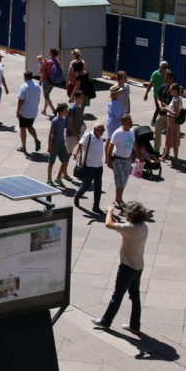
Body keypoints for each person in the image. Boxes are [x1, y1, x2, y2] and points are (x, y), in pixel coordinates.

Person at [91, 201, 150, 333]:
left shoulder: (130, 228)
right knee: (135, 296)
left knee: (117, 295)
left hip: (127, 267)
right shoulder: (143, 227)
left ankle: (106, 321)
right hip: (138, 266)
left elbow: (108, 224)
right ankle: (135, 325)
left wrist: (110, 211)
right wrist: (116, 221)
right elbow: (119, 226)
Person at [73, 121, 107, 214]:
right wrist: (75, 153)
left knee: (98, 188)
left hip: (99, 167)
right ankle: (77, 195)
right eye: (102, 130)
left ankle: (96, 207)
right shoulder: (88, 136)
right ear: (95, 130)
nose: (103, 131)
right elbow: (79, 144)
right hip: (89, 167)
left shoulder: (100, 138)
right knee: (85, 186)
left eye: (104, 130)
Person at [106, 114, 135, 210]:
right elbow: (110, 146)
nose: (131, 124)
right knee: (120, 181)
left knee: (124, 181)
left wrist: (139, 154)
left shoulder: (131, 131)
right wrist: (109, 160)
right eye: (129, 122)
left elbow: (134, 143)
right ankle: (117, 200)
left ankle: (119, 199)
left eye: (131, 122)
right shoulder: (117, 133)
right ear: (123, 123)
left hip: (127, 160)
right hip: (118, 160)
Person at [16, 71, 42, 154]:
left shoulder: (24, 87)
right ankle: (36, 139)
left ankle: (23, 147)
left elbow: (21, 100)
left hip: (25, 112)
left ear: (25, 77)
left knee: (23, 129)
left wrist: (18, 111)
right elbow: (38, 98)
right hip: (33, 111)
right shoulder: (37, 86)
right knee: (30, 126)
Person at [64, 89, 86, 177]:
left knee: (81, 151)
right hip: (71, 134)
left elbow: (80, 118)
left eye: (83, 98)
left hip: (79, 132)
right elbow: (70, 124)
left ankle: (80, 171)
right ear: (76, 98)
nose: (83, 99)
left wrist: (83, 124)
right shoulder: (71, 108)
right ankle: (63, 172)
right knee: (68, 154)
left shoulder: (80, 107)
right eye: (81, 98)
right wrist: (76, 135)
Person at [47, 103, 70, 186]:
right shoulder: (55, 120)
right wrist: (49, 146)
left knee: (65, 160)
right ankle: (49, 179)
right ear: (60, 111)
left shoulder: (65, 118)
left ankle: (58, 178)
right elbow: (50, 134)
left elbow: (67, 128)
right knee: (51, 162)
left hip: (61, 143)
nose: (66, 111)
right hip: (55, 143)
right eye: (65, 110)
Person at [153, 70, 175, 154]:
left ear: (171, 78)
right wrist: (159, 104)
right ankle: (156, 150)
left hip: (169, 116)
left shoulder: (175, 88)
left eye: (166, 76)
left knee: (168, 134)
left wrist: (167, 108)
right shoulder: (163, 86)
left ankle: (166, 151)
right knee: (157, 131)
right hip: (161, 113)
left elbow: (176, 102)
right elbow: (158, 97)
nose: (164, 78)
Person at [162, 82, 183, 164]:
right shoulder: (176, 98)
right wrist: (167, 107)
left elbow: (176, 114)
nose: (169, 90)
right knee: (173, 140)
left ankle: (168, 158)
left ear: (175, 90)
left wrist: (167, 109)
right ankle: (174, 159)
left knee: (171, 140)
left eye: (171, 89)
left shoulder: (176, 99)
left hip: (173, 122)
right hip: (172, 122)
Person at [39, 48, 64, 115]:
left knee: (46, 96)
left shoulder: (47, 62)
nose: (49, 53)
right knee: (47, 96)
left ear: (52, 54)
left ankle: (53, 110)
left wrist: (41, 79)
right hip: (53, 81)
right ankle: (44, 110)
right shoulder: (57, 62)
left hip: (46, 80)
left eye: (50, 52)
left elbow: (42, 71)